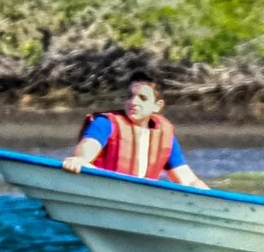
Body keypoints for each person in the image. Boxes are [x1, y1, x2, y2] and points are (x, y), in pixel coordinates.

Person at [61, 77, 209, 188]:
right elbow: (87, 149)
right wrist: (80, 159)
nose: (133, 102)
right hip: (100, 188)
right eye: (130, 96)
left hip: (140, 197)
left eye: (142, 98)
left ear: (157, 106)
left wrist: (203, 190)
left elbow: (187, 178)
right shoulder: (105, 123)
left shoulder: (165, 135)